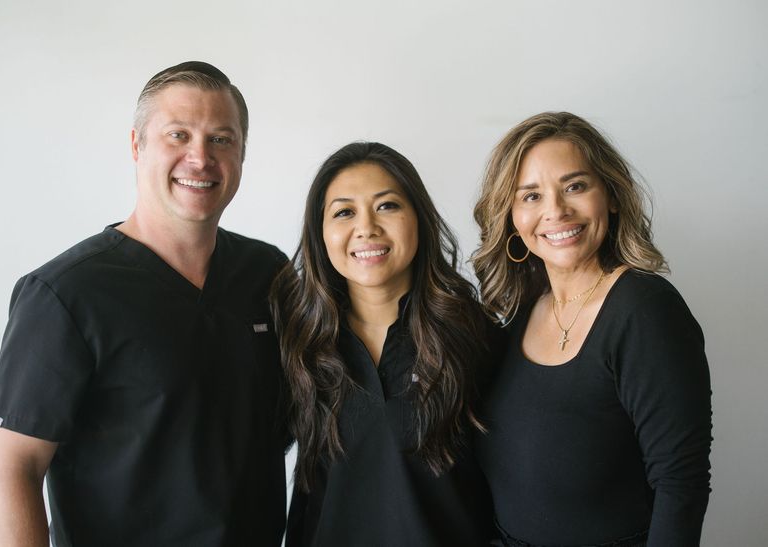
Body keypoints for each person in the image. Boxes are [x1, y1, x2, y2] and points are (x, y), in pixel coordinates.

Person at [0, 61, 288, 547]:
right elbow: (14, 470)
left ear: (242, 154)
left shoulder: (268, 275)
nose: (200, 158)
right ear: (136, 146)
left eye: (221, 139)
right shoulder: (65, 294)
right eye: (178, 135)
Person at [472, 112, 712, 547]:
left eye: (575, 186)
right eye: (530, 196)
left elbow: (681, 486)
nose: (556, 211)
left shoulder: (645, 310)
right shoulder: (521, 312)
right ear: (510, 217)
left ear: (612, 196)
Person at [271, 141, 505, 547]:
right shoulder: (301, 342)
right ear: (320, 233)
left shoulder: (474, 334)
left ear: (418, 218)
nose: (367, 228)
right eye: (344, 212)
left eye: (387, 206)